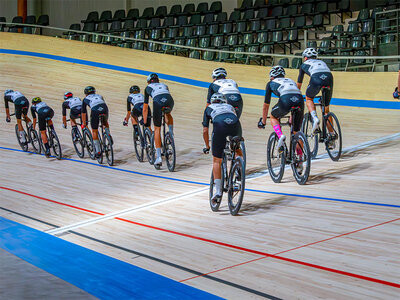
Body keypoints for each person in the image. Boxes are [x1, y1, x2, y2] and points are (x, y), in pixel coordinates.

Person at [257, 66, 304, 170]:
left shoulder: (270, 84)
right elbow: (294, 98)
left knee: (274, 116)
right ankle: (300, 159)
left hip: (286, 100)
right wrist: (292, 116)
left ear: (272, 77)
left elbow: (266, 106)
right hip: (300, 100)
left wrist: (263, 122)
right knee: (296, 131)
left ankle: (280, 135)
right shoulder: (290, 80)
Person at [203, 93, 242, 203]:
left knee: (217, 160)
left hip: (220, 126)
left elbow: (205, 130)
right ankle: (240, 168)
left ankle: (218, 192)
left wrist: (207, 146)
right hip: (235, 124)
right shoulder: (230, 107)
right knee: (237, 149)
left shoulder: (208, 108)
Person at [296, 47, 334, 133]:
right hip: (329, 78)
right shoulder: (322, 62)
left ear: (305, 58)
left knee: (309, 98)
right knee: (326, 110)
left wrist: (297, 95)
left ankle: (315, 118)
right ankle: (331, 134)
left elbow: (299, 84)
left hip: (316, 78)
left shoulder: (303, 65)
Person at [142, 73, 174, 167]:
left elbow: (145, 108)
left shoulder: (147, 88)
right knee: (167, 113)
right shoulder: (164, 85)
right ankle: (171, 135)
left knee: (157, 129)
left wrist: (144, 121)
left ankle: (159, 157)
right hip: (169, 100)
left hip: (158, 102)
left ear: (148, 82)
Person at [81, 86, 110, 157]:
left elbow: (83, 113)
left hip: (95, 110)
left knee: (94, 130)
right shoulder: (100, 96)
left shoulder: (85, 99)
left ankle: (98, 151)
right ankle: (108, 135)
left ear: (86, 93)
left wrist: (84, 123)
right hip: (104, 108)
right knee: (105, 122)